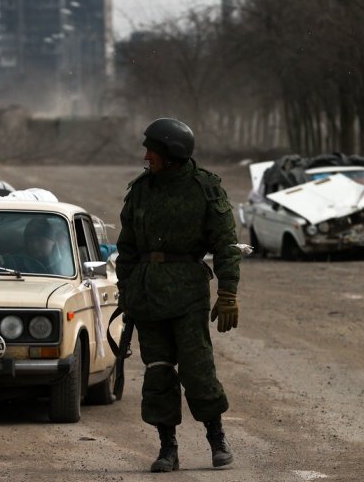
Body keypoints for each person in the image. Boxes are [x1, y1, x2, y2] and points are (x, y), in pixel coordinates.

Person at [115, 118, 240, 472]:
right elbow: (126, 249)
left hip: (188, 295)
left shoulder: (204, 188)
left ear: (170, 154)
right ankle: (167, 447)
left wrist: (228, 291)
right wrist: (127, 293)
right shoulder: (141, 190)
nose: (145, 156)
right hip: (147, 296)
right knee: (158, 373)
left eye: (151, 151)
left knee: (198, 370)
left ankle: (216, 437)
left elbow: (226, 245)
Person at [7, 217, 73, 275]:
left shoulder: (69, 260)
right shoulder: (16, 261)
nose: (34, 245)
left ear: (53, 241)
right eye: (30, 241)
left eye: (40, 240)